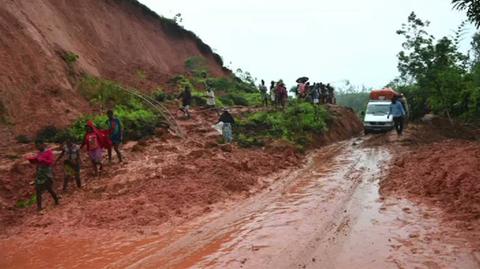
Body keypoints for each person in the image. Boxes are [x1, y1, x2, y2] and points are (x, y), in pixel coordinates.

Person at [28, 141, 59, 211]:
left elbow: (50, 162)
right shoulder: (39, 153)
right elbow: (37, 162)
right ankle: (39, 207)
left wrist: (42, 160)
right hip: (40, 174)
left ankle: (56, 199)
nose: (38, 147)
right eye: (37, 146)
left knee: (49, 189)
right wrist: (32, 160)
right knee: (38, 191)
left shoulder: (49, 152)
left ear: (43, 145)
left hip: (47, 174)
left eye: (39, 146)